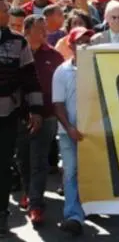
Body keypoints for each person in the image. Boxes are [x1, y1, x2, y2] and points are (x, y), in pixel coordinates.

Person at [0, 0, 43, 238]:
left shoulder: (18, 43)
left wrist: (35, 110)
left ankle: (1, 214)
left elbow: (30, 78)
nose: (7, 14)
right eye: (4, 11)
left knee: (2, 167)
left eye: (6, 10)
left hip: (7, 116)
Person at [17, 15, 64, 226]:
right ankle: (28, 192)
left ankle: (36, 204)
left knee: (39, 161)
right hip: (19, 117)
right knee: (24, 159)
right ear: (27, 31)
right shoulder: (15, 52)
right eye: (40, 30)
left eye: (46, 29)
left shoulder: (54, 56)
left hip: (46, 116)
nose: (46, 34)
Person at [52, 27, 93, 236]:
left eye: (88, 41)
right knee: (71, 172)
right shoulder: (62, 71)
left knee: (91, 173)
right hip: (69, 133)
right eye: (80, 42)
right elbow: (58, 104)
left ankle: (89, 208)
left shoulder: (99, 69)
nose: (85, 45)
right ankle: (73, 215)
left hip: (94, 135)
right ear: (71, 46)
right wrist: (69, 128)